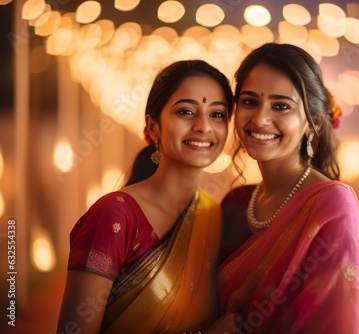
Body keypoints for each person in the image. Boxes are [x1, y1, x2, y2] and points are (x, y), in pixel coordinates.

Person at [218, 43, 359, 333]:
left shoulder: (331, 207)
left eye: (281, 106)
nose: (259, 119)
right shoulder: (234, 204)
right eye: (250, 101)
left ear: (313, 124)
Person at [57, 60, 240, 333]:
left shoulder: (211, 214)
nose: (203, 126)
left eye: (217, 115)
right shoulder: (115, 215)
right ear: (153, 127)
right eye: (186, 111)